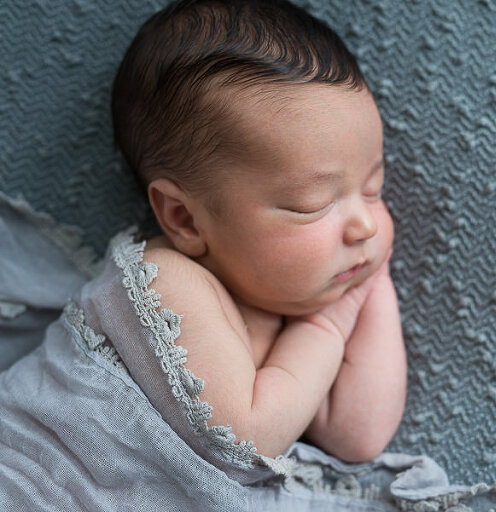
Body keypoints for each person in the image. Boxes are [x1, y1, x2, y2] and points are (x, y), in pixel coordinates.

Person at [110, 0, 406, 463]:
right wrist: (329, 325)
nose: (366, 225)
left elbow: (358, 436)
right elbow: (245, 439)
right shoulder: (164, 279)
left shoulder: (287, 303)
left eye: (373, 188)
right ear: (186, 219)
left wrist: (373, 282)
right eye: (313, 204)